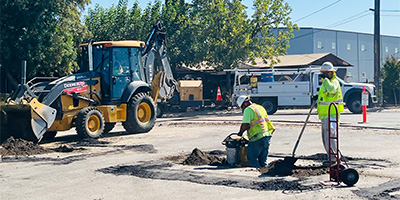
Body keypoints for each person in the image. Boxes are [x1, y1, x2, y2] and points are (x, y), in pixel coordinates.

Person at [316, 62, 344, 165]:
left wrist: (326, 79)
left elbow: (331, 90)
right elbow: (325, 95)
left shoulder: (333, 81)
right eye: (323, 73)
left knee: (331, 136)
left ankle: (334, 159)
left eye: (326, 73)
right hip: (325, 114)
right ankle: (330, 157)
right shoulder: (326, 82)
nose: (323, 75)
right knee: (325, 138)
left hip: (332, 114)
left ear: (331, 72)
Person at [236, 95, 275, 168]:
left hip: (257, 137)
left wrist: (240, 133)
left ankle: (257, 176)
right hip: (267, 136)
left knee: (252, 158)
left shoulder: (248, 109)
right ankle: (265, 172)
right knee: (263, 161)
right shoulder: (260, 107)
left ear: (244, 104)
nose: (243, 109)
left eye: (242, 107)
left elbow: (245, 124)